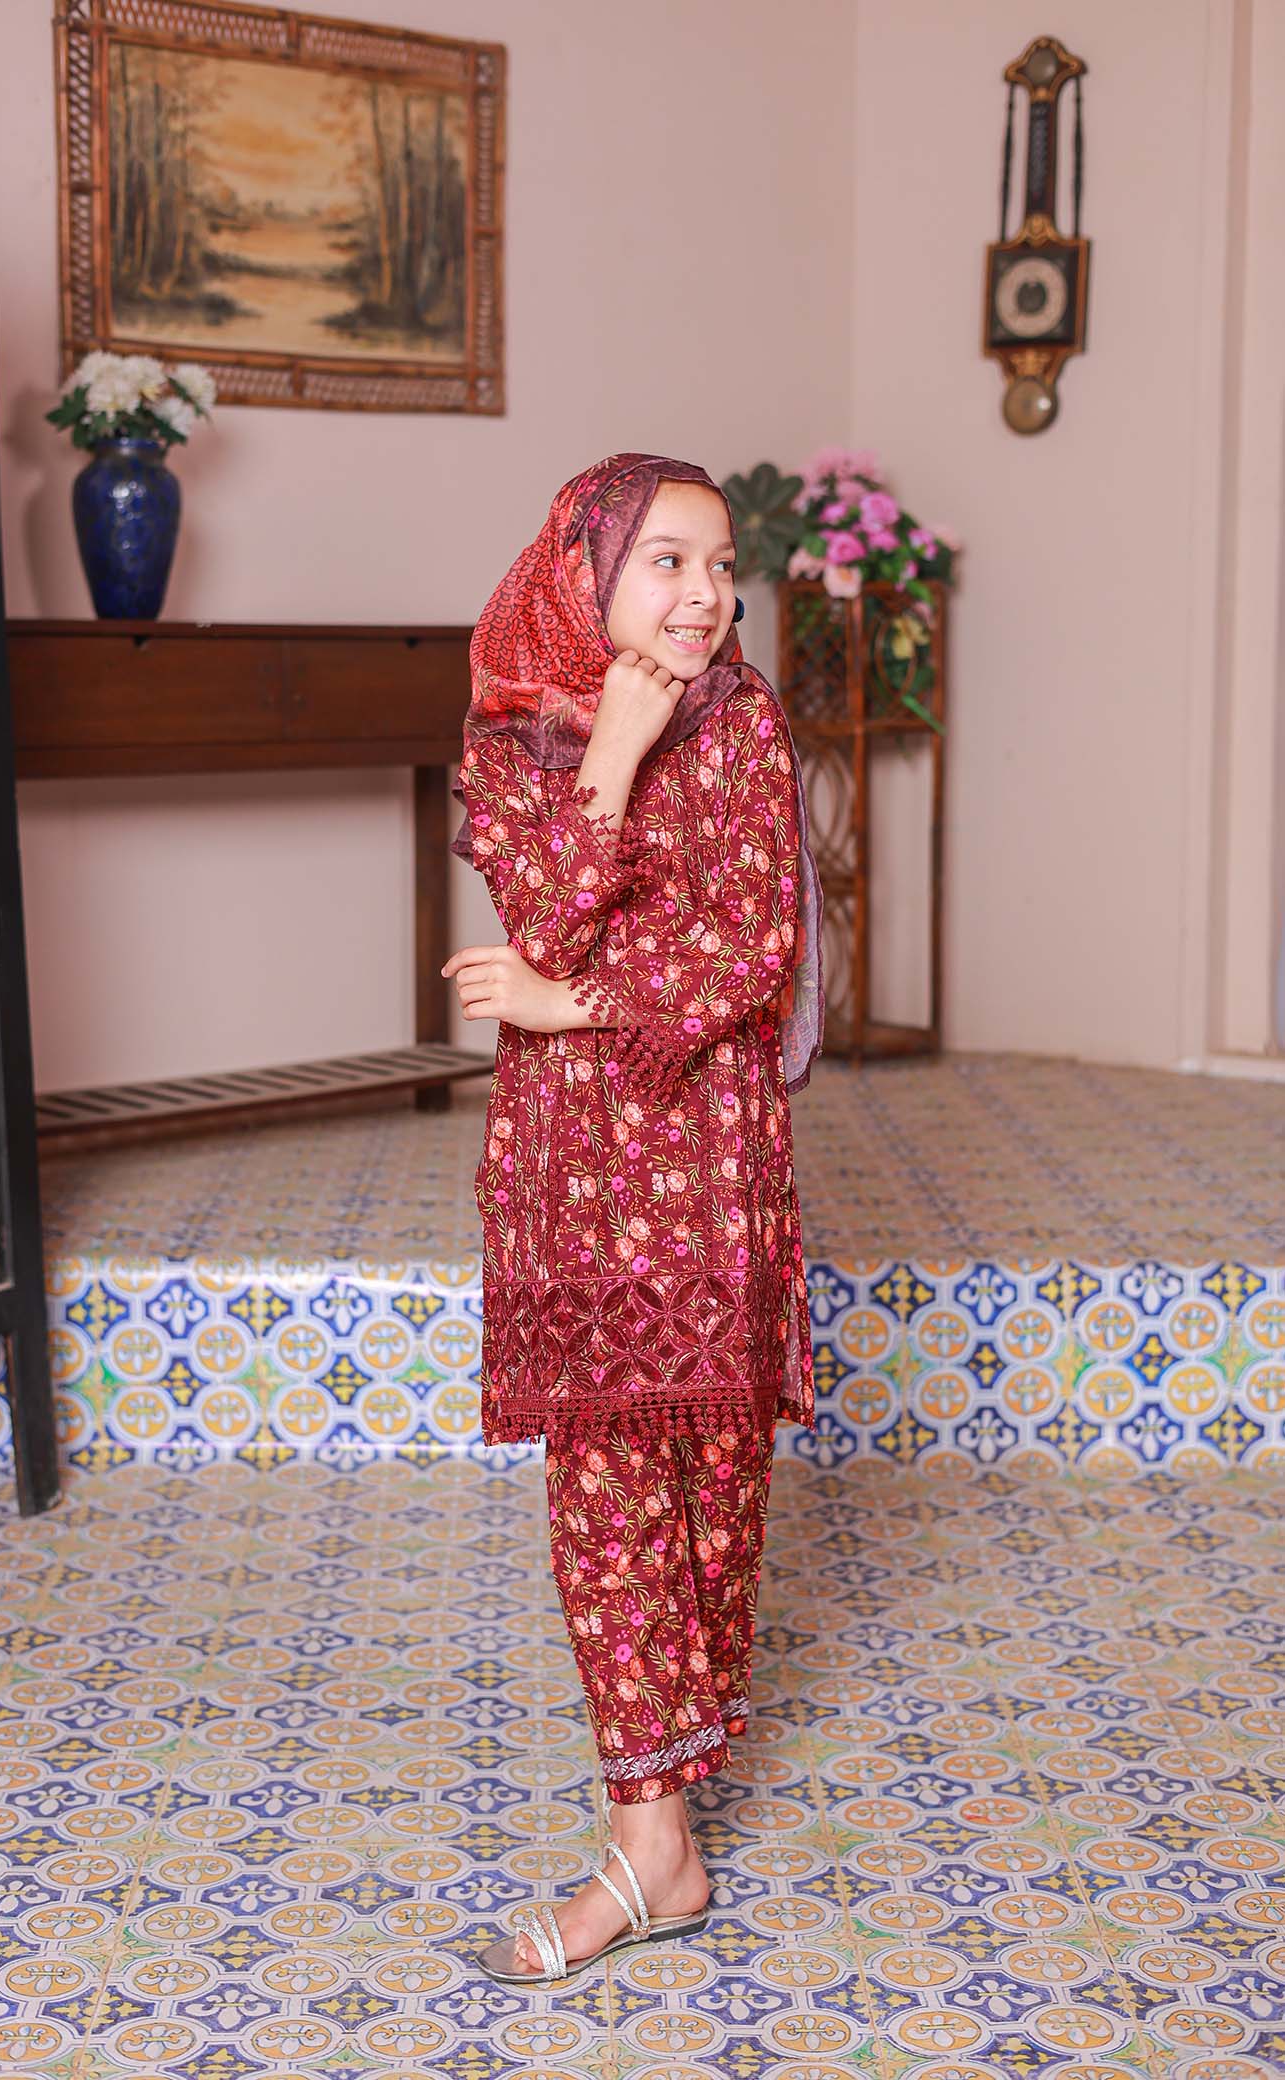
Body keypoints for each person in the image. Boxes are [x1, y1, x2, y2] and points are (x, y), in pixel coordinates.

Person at [442, 452, 825, 1986]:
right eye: (668, 561)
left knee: (715, 1490)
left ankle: (670, 1789)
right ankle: (651, 1840)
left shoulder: (747, 728)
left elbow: (752, 952)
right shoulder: (513, 732)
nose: (707, 595)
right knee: (605, 1493)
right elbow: (535, 909)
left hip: (715, 1154)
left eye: (721, 564)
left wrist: (566, 1002)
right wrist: (613, 741)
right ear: (589, 570)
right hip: (575, 1170)